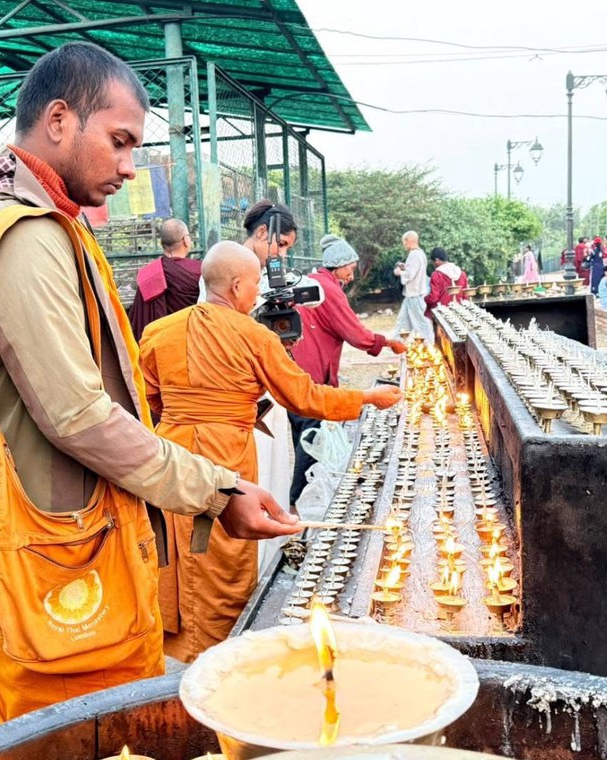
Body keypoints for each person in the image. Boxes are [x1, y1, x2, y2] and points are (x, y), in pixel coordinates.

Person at [0, 43, 300, 749]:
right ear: (59, 120)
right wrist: (216, 490)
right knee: (74, 757)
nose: (129, 165)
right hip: (39, 561)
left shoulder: (49, 224)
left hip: (47, 545)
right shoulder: (22, 234)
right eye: (120, 142)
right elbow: (77, 414)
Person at [140, 241, 402, 662]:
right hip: (225, 460)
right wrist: (367, 397)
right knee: (222, 562)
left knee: (175, 555)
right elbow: (305, 397)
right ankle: (219, 662)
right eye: (256, 283)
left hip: (170, 458)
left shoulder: (157, 332)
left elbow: (150, 397)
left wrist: (187, 420)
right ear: (238, 285)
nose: (258, 292)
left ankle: (180, 656)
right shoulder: (253, 335)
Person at [289, 235, 407, 510]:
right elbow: (353, 331)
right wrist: (385, 342)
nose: (352, 275)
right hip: (310, 370)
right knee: (313, 432)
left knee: (304, 432)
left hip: (298, 367)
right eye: (350, 269)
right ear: (337, 266)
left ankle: (303, 496)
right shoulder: (327, 289)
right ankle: (298, 503)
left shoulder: (314, 282)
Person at [239, 199, 299, 517]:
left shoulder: (264, 273)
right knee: (256, 471)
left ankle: (273, 542)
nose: (283, 254)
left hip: (267, 383)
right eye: (283, 244)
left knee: (274, 464)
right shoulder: (230, 265)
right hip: (244, 389)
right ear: (263, 232)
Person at [128, 218, 202, 340]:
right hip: (194, 340)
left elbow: (139, 319)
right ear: (186, 240)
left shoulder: (149, 273)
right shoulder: (199, 270)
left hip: (160, 342)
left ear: (162, 244)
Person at [393, 230, 432, 340]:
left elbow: (410, 275)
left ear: (408, 241)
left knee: (422, 324)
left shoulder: (414, 254)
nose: (403, 244)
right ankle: (396, 342)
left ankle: (429, 346)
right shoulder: (420, 253)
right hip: (411, 294)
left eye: (404, 242)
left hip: (416, 294)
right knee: (402, 321)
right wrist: (405, 267)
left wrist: (399, 272)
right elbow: (414, 270)